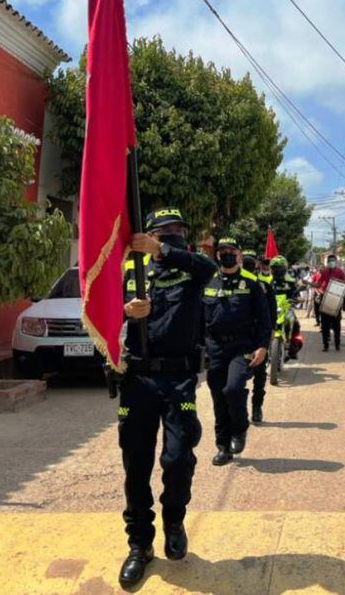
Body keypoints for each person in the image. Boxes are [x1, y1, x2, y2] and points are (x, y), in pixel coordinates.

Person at [116, 207, 215, 588]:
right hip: (137, 377)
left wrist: (161, 250)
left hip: (178, 379)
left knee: (177, 457)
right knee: (136, 465)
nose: (172, 234)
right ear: (150, 232)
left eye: (177, 231)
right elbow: (102, 314)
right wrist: (127, 312)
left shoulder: (191, 268)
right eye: (165, 230)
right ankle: (140, 545)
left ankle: (174, 517)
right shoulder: (129, 271)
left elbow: (207, 270)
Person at [203, 237, 273, 466]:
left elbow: (264, 319)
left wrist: (262, 346)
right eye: (223, 251)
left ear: (239, 255)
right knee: (217, 398)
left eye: (231, 250)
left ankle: (240, 429)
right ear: (217, 255)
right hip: (215, 348)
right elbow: (198, 317)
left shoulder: (252, 283)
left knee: (233, 389)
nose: (227, 254)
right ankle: (223, 446)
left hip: (241, 347)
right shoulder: (208, 282)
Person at [242, 250, 276, 424]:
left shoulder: (263, 285)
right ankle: (238, 410)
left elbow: (272, 310)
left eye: (251, 262)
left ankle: (256, 408)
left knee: (260, 375)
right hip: (240, 337)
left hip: (258, 337)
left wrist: (271, 331)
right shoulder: (234, 283)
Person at [269, 255, 303, 360]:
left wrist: (297, 298)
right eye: (274, 268)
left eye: (279, 267)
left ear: (284, 268)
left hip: (286, 308)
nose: (277, 270)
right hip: (272, 308)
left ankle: (293, 348)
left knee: (296, 324)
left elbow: (296, 293)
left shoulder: (290, 281)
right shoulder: (268, 282)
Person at [314, 254, 345, 351]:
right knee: (324, 325)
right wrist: (309, 284)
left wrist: (336, 281)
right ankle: (325, 345)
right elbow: (318, 284)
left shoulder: (340, 272)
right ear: (327, 262)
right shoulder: (324, 272)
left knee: (336, 325)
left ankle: (337, 344)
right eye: (330, 260)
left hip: (336, 301)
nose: (331, 262)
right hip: (325, 299)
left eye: (333, 260)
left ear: (336, 261)